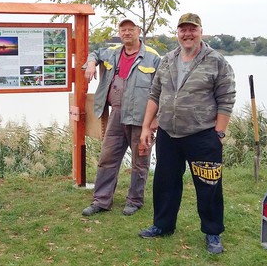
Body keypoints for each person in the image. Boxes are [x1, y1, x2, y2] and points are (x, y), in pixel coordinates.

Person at [137, 13, 236, 254]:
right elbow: (154, 94)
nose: (187, 34)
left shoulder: (216, 61)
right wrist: (145, 127)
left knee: (208, 183)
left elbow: (226, 98)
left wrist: (220, 133)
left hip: (202, 135)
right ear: (178, 33)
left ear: (201, 31)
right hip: (169, 134)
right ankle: (163, 225)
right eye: (183, 29)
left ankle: (213, 232)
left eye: (192, 29)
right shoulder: (167, 60)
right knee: (165, 182)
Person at [81, 18, 161, 217]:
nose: (126, 33)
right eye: (123, 29)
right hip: (117, 114)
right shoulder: (113, 52)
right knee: (107, 157)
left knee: (140, 160)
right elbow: (95, 52)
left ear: (138, 31)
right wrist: (91, 63)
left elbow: (164, 91)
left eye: (130, 29)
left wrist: (154, 121)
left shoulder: (153, 58)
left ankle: (134, 200)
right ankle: (101, 200)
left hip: (142, 119)